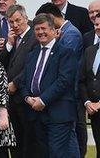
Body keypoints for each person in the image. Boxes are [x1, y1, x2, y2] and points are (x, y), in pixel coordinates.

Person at [19, 13, 79, 158]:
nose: (40, 32)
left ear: (53, 30)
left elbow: (64, 80)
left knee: (57, 154)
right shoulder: (32, 54)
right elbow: (23, 81)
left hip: (58, 114)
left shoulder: (66, 52)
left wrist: (43, 100)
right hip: (36, 114)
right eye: (37, 29)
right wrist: (28, 98)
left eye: (44, 28)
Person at [2, 5, 37, 158]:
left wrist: (15, 83)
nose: (15, 25)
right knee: (14, 142)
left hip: (25, 97)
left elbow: (32, 65)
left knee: (28, 143)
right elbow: (2, 63)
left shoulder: (35, 37)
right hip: (11, 101)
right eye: (11, 22)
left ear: (25, 18)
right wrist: (9, 45)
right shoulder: (14, 39)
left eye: (18, 20)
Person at [80, 13, 100, 156]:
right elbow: (82, 80)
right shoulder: (90, 50)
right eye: (96, 25)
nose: (97, 28)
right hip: (94, 112)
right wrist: (87, 102)